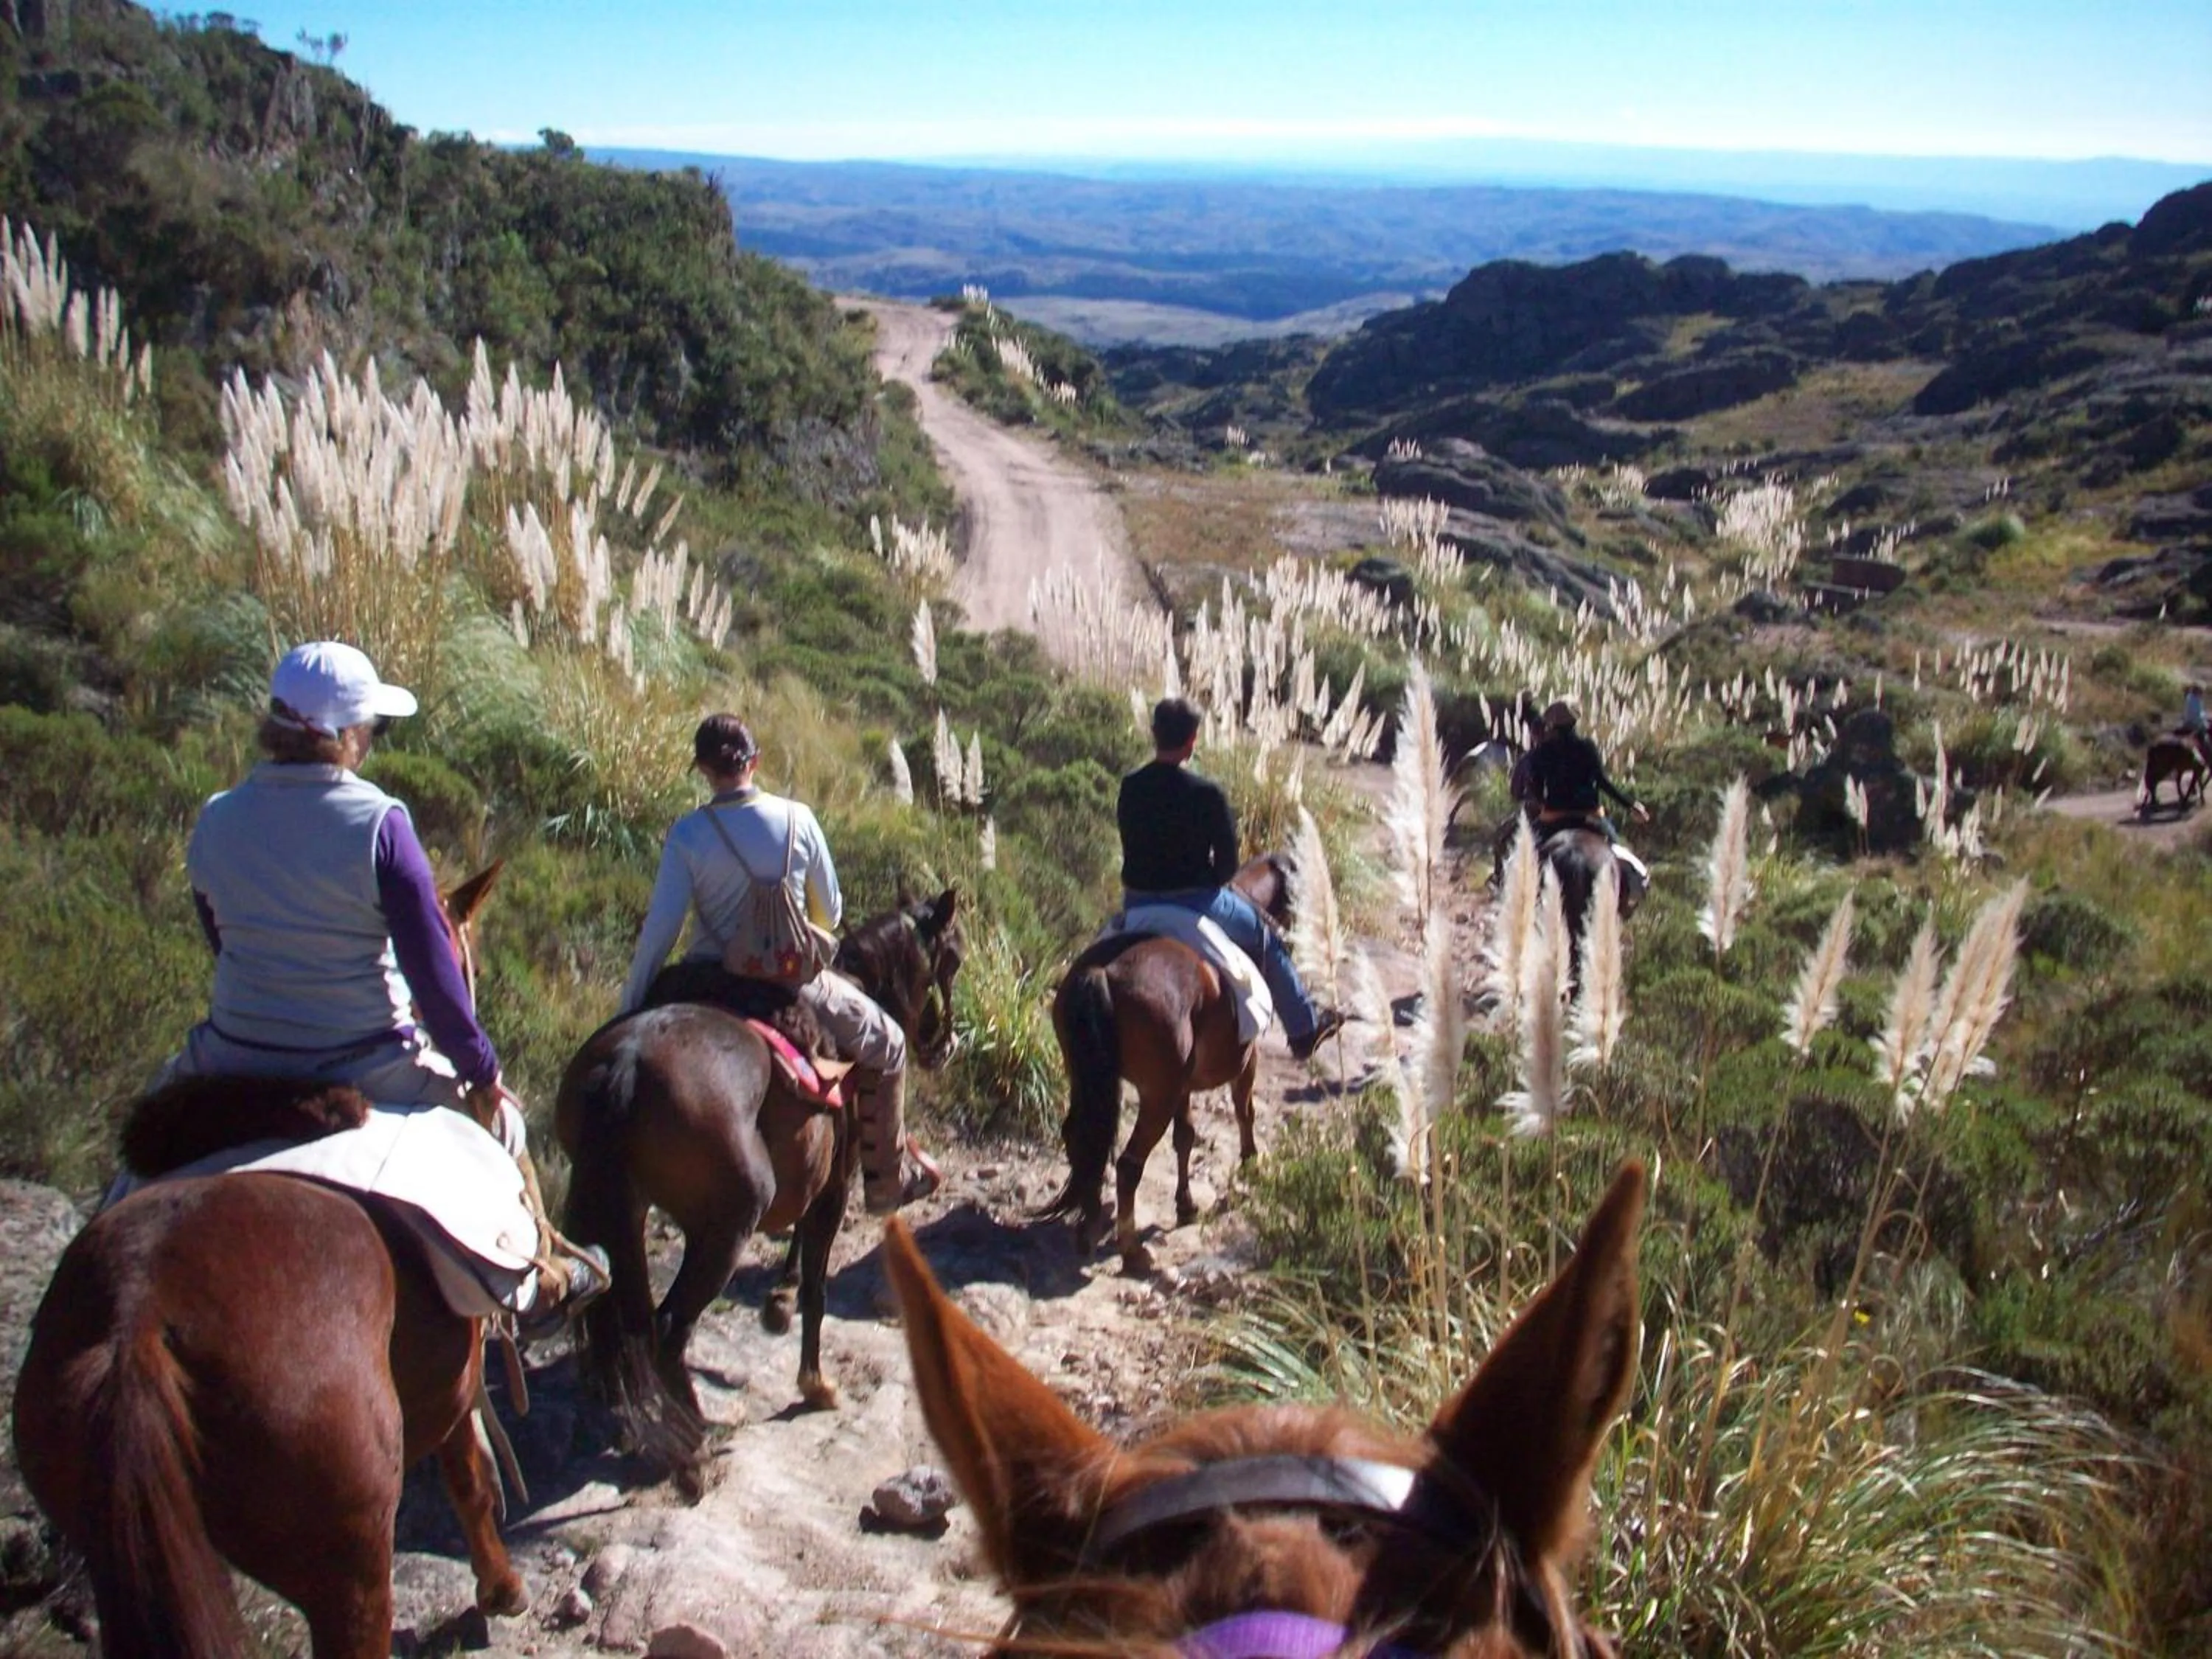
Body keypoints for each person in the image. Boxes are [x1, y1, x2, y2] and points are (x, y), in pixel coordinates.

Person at [171, 640, 609, 1332]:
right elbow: (434, 970)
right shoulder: (380, 823)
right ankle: (540, 1281)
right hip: (367, 1062)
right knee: (506, 1131)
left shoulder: (217, 816)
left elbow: (220, 937)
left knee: (136, 1166)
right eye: (368, 728)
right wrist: (482, 1071)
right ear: (343, 736)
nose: (371, 741)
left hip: (230, 1054)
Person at [619, 714, 942, 1216]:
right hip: (786, 978)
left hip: (705, 975)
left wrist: (630, 1005)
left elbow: (660, 931)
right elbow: (830, 913)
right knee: (890, 1044)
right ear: (755, 762)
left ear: (702, 769)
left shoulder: (688, 834)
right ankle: (886, 1181)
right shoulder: (798, 819)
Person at [1116, 697, 1346, 1061]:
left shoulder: (1130, 785)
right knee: (1268, 940)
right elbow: (1226, 870)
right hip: (1197, 901)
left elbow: (1131, 846)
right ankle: (1304, 1028)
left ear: (1154, 733)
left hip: (1137, 902)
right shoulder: (1207, 794)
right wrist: (1199, 873)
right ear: (1193, 740)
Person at [1522, 700, 1651, 843]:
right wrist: (1630, 805)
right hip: (1589, 814)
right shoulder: (1587, 747)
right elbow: (1602, 782)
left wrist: (1543, 803)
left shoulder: (1542, 751)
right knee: (1615, 848)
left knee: (1527, 853)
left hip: (1554, 815)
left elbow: (1535, 786)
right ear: (1575, 721)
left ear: (1551, 724)